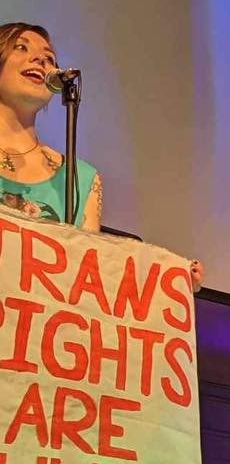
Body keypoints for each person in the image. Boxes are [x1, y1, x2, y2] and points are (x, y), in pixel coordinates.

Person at [0, 21, 203, 287]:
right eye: (21, 48)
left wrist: (169, 280)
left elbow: (87, 275)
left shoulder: (81, 178)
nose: (40, 59)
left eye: (49, 58)